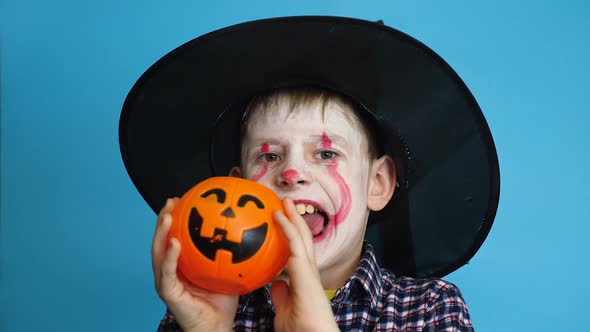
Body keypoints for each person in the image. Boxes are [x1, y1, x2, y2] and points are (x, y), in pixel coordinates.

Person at [119, 17, 500, 331]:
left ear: (378, 183)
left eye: (325, 152)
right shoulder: (201, 307)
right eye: (269, 156)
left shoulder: (429, 308)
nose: (292, 172)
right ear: (235, 186)